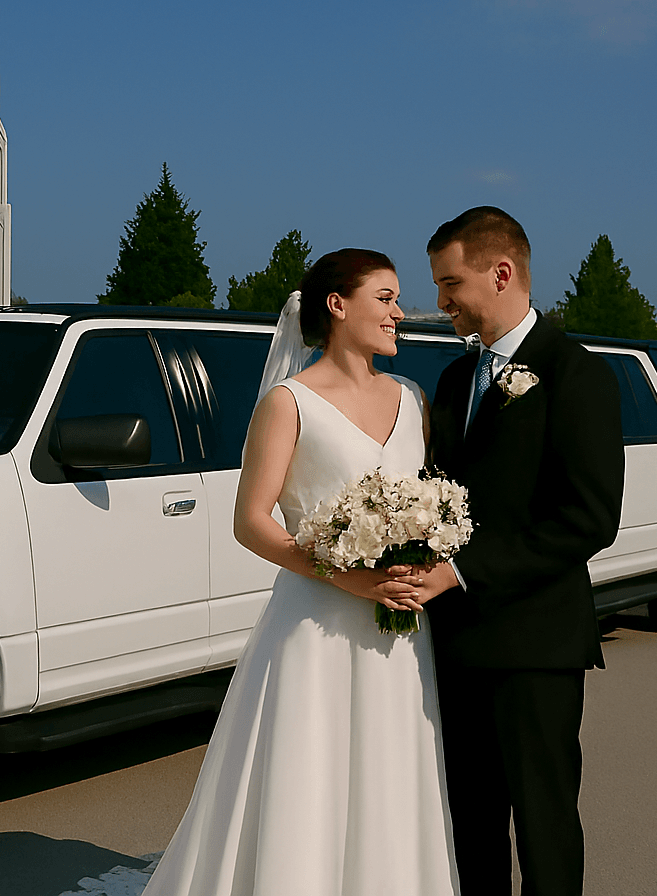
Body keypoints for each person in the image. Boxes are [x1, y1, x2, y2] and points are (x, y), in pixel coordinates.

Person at [142, 249, 460, 896]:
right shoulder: (290, 403)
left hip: (398, 629)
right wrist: (346, 577)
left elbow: (426, 498)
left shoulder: (413, 398)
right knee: (310, 773)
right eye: (386, 297)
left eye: (398, 300)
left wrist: (428, 555)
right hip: (315, 625)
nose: (400, 313)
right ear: (338, 306)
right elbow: (251, 520)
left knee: (389, 770)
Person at [407, 206, 624, 896]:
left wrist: (461, 573)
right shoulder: (449, 381)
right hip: (455, 648)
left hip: (534, 647)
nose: (439, 302)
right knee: (468, 825)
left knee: (543, 824)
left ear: (501, 274)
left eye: (450, 284)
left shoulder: (573, 373)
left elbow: (588, 518)